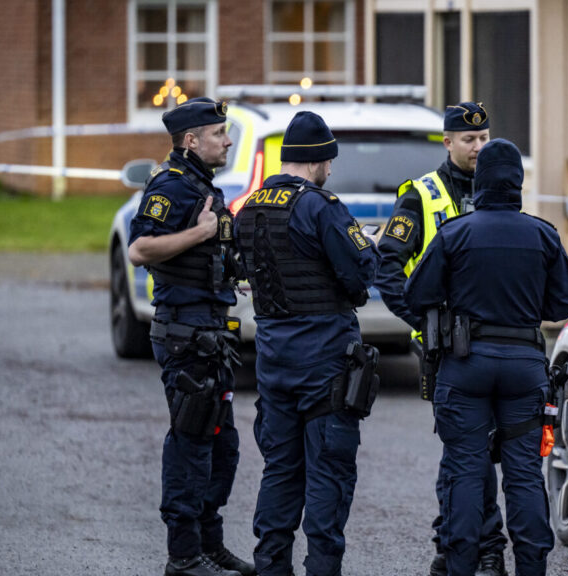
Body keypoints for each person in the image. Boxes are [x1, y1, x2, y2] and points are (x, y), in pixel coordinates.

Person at [404, 139, 568, 576]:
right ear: (518, 183)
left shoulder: (456, 232)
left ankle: (462, 563)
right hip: (523, 365)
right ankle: (532, 566)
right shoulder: (543, 234)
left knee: (465, 469)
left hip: (466, 365)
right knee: (523, 474)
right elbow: (560, 307)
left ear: (479, 183)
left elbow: (416, 294)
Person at [234, 111, 380, 576]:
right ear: (316, 160)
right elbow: (360, 273)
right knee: (329, 476)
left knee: (279, 472)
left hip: (274, 362)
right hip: (325, 364)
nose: (331, 169)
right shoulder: (322, 206)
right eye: (328, 160)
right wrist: (370, 246)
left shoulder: (252, 206)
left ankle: (271, 566)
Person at [375, 101, 508, 576]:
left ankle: (462, 544)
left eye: (484, 138)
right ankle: (472, 547)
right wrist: (421, 323)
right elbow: (387, 265)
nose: (478, 147)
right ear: (447, 142)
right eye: (469, 140)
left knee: (478, 451)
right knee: (466, 451)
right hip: (446, 347)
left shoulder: (503, 189)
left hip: (497, 341)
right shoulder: (421, 195)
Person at [128, 97, 254, 576]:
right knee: (191, 443)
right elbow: (141, 249)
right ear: (191, 140)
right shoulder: (171, 186)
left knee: (221, 445)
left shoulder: (203, 185)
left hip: (210, 331)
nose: (226, 140)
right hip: (184, 333)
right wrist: (199, 237)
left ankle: (209, 545)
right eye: (219, 133)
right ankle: (183, 557)